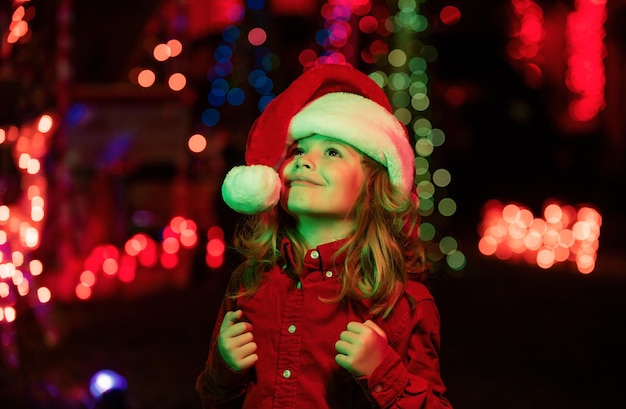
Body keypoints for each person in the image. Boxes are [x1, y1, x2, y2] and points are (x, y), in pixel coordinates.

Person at [196, 63, 452, 409]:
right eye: (298, 151)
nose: (304, 162)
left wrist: (383, 371)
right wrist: (224, 370)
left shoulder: (401, 302)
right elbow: (214, 399)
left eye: (332, 152)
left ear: (373, 186)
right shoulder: (250, 283)